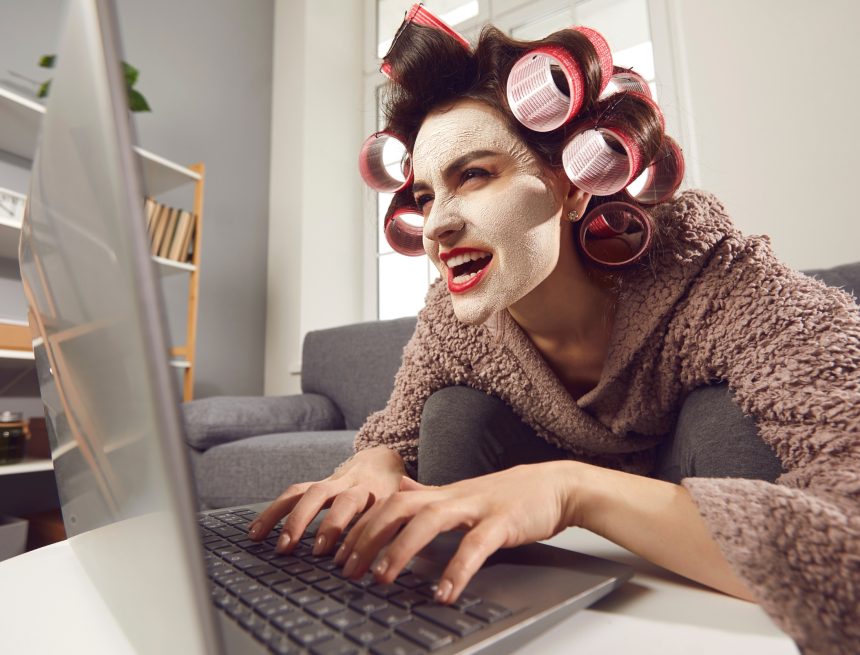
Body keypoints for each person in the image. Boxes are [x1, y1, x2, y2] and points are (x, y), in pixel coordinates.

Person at [249, 7, 860, 653]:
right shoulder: (455, 318)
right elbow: (395, 429)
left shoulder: (722, 278)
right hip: (536, 549)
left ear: (572, 188)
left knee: (727, 419)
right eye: (426, 196)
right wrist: (374, 460)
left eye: (475, 174)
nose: (436, 227)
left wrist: (573, 486)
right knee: (453, 412)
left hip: (688, 508)